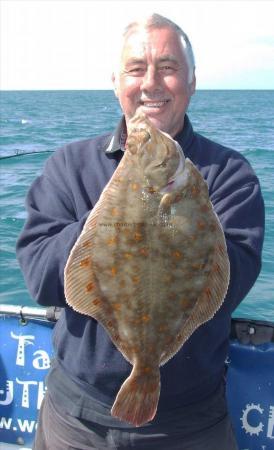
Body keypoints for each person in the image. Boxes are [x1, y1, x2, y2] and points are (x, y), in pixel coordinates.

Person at [16, 13, 264, 450]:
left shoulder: (229, 174)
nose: (151, 83)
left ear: (191, 82)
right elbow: (39, 277)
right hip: (76, 419)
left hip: (189, 424)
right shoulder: (69, 165)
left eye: (168, 69)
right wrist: (120, 212)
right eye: (136, 69)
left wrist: (183, 206)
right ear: (117, 83)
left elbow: (230, 282)